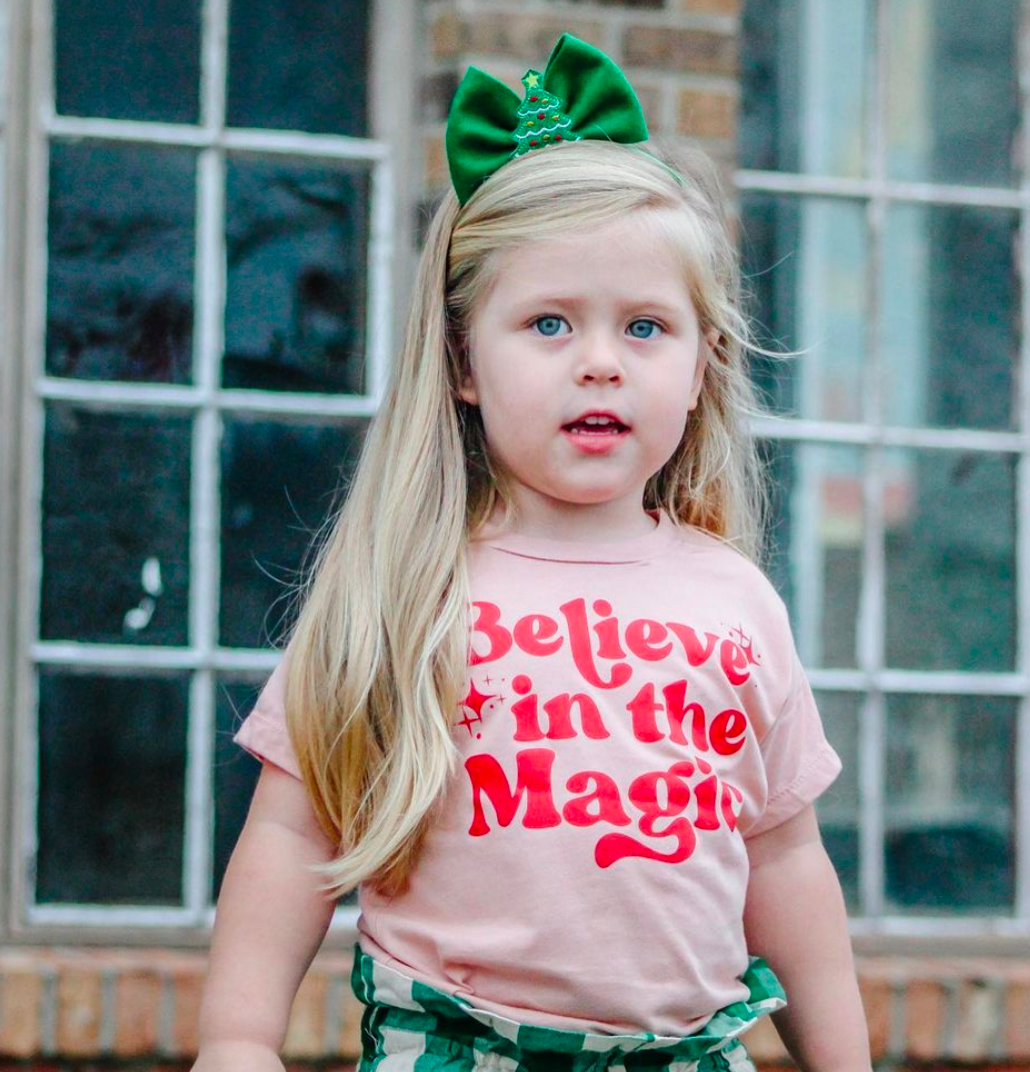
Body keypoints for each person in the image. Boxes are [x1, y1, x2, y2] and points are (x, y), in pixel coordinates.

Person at [194, 33, 872, 1072]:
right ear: (464, 361)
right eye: (549, 324)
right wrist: (238, 1040)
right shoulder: (404, 591)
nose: (600, 363)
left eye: (644, 328)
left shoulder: (736, 601)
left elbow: (783, 859)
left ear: (702, 366)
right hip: (458, 1050)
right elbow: (292, 835)